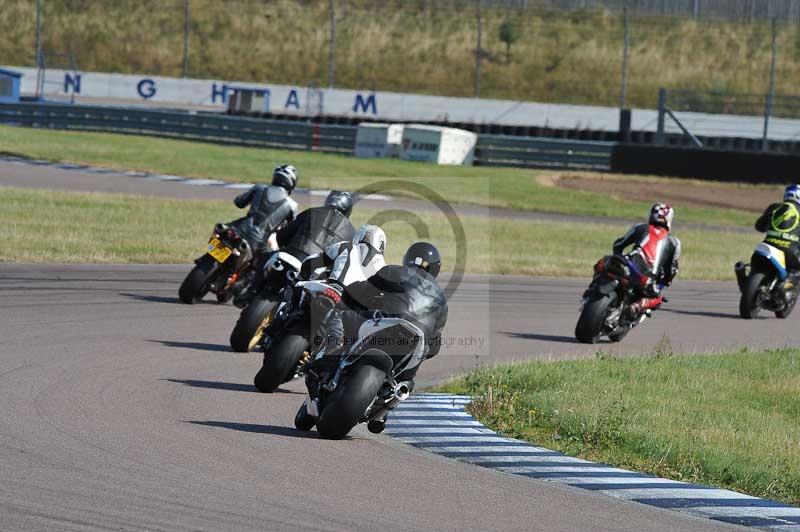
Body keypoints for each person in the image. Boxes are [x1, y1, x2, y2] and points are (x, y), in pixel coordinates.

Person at [314, 242, 449, 433]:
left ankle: (328, 357)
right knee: (407, 381)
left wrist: (345, 301)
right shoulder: (442, 300)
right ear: (436, 268)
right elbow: (435, 346)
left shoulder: (394, 271)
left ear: (407, 258)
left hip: (382, 323)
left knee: (338, 316)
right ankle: (384, 410)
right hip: (415, 342)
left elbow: (358, 292)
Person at [612, 203, 681, 314]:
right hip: (646, 277)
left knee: (606, 265)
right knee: (657, 299)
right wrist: (665, 282)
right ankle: (636, 306)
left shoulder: (640, 227)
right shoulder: (674, 242)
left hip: (627, 263)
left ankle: (592, 292)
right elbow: (672, 270)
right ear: (669, 219)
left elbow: (618, 245)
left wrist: (618, 256)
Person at [229, 164, 299, 257]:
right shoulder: (292, 205)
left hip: (238, 228)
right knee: (263, 265)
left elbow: (239, 202)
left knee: (220, 234)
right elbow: (290, 232)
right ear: (292, 183)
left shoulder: (259, 188)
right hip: (259, 243)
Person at [275, 190, 356, 263]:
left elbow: (282, 236)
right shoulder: (352, 233)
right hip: (317, 272)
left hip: (292, 257)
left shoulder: (311, 212)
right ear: (348, 210)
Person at [753, 184, 800, 272]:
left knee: (754, 267)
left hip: (767, 246)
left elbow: (759, 227)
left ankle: (741, 272)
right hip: (790, 252)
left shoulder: (774, 207)